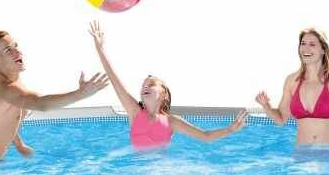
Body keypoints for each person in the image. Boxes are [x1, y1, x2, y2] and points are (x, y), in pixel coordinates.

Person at [88, 21, 247, 148]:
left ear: (163, 94)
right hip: (137, 169)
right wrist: (100, 48)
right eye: (143, 86)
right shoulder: (134, 112)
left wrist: (230, 129)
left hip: (160, 170)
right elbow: (114, 79)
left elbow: (205, 136)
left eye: (151, 84)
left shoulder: (172, 122)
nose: (145, 87)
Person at [0, 30, 109, 160]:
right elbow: (41, 104)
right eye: (8, 50)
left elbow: (3, 119)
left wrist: (19, 145)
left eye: (16, 46)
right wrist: (81, 94)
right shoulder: (3, 88)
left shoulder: (11, 79)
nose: (18, 53)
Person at [254, 27, 329, 145]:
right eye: (303, 43)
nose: (306, 48)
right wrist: (266, 105)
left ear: (323, 50)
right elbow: (281, 119)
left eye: (312, 44)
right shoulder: (292, 81)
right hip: (301, 152)